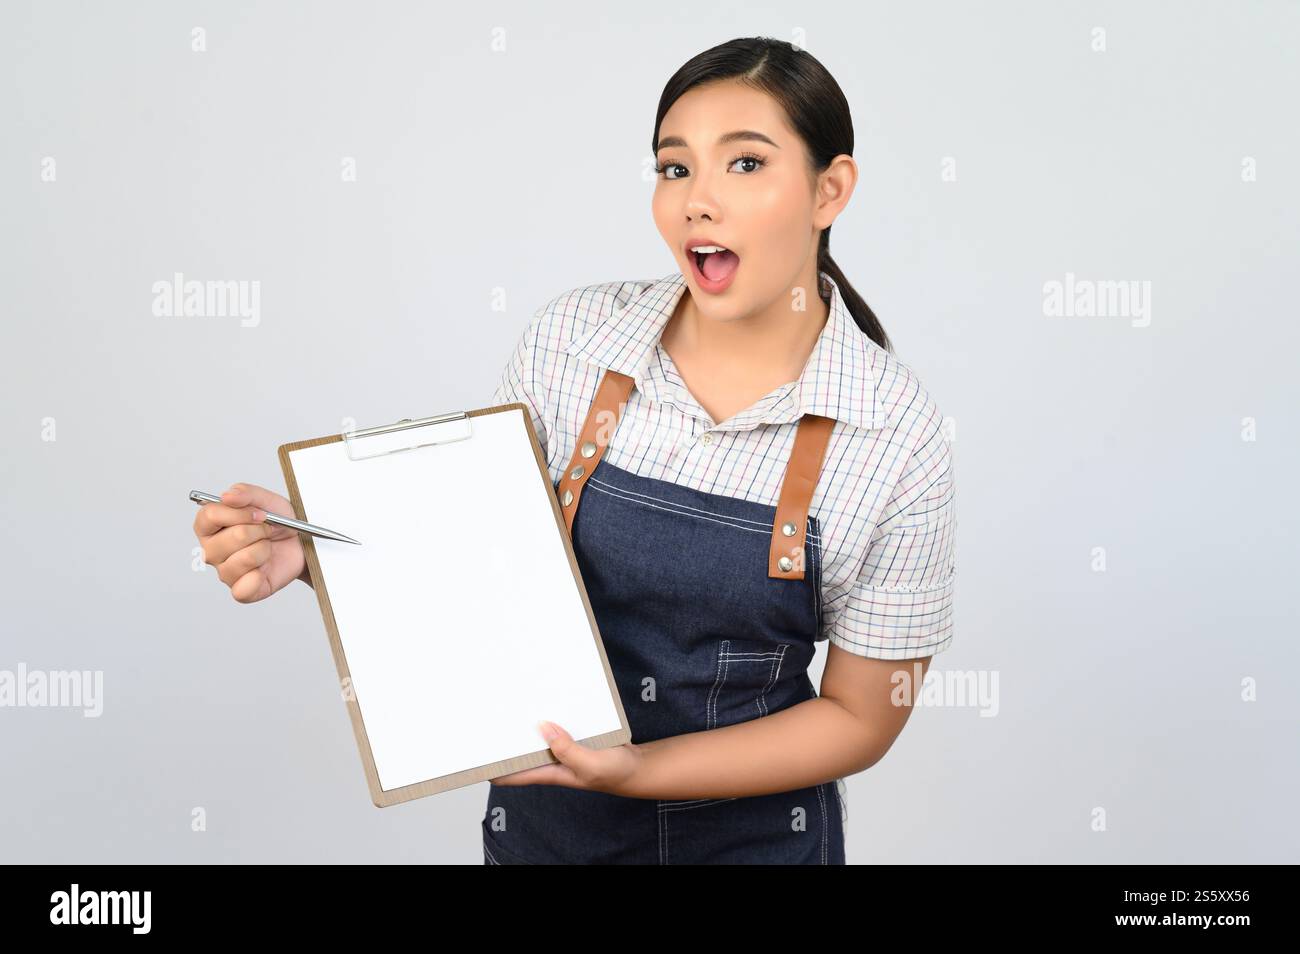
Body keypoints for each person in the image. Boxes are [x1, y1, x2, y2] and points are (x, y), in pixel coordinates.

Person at [193, 36, 956, 865]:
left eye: (744, 165)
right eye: (674, 169)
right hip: (546, 841)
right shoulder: (572, 342)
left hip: (758, 847)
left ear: (829, 189)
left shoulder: (895, 432)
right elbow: (486, 569)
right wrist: (315, 551)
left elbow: (860, 717)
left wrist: (636, 770)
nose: (698, 200)